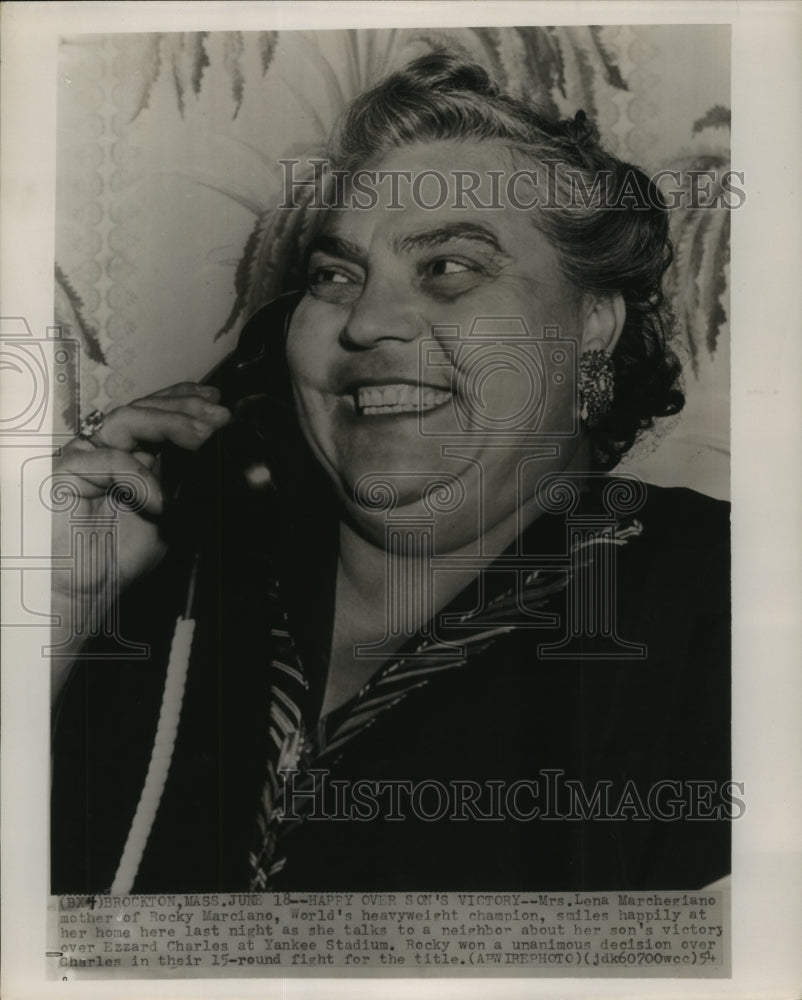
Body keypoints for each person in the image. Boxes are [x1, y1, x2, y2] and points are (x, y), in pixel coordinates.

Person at [50, 52, 730, 894]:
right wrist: (59, 618)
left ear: (590, 323)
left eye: (449, 267)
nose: (366, 321)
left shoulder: (722, 606)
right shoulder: (178, 599)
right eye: (335, 276)